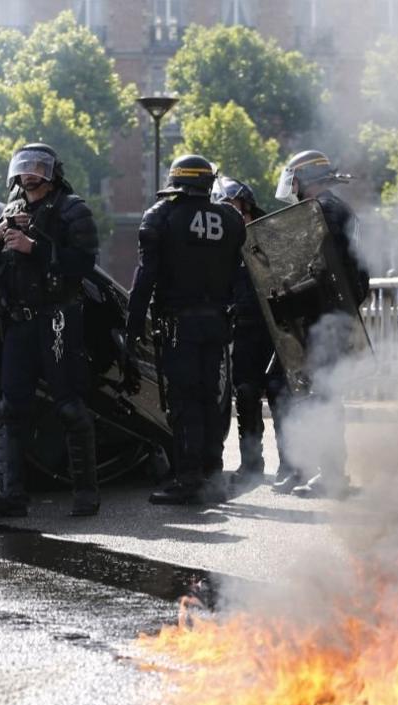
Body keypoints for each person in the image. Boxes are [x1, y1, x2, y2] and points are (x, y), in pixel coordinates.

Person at [0, 143, 101, 519]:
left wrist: (36, 247)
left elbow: (83, 264)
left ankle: (86, 494)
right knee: (8, 409)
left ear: (53, 173)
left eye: (39, 168)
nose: (30, 174)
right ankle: (10, 495)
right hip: (20, 323)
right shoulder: (11, 211)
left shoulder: (72, 209)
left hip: (58, 317)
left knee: (70, 406)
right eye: (24, 167)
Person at [125, 155, 247, 505]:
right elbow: (241, 275)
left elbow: (145, 277)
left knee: (184, 400)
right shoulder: (231, 218)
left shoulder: (161, 216)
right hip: (217, 324)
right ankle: (212, 474)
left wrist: (132, 330)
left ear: (176, 182)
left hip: (180, 324)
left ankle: (188, 478)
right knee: (212, 398)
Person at [270, 150, 370, 498]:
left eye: (295, 181)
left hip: (325, 318)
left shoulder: (323, 212)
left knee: (324, 396)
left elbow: (322, 274)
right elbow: (359, 277)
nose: (293, 188)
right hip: (335, 316)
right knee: (323, 394)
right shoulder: (341, 210)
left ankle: (331, 476)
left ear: (305, 181)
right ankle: (327, 471)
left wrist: (287, 301)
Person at [210, 176, 288, 487]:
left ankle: (291, 466)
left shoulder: (269, 236)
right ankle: (251, 464)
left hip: (274, 328)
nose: (232, 215)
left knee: (280, 395)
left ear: (248, 208)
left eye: (236, 208)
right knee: (245, 394)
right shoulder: (224, 246)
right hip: (242, 329)